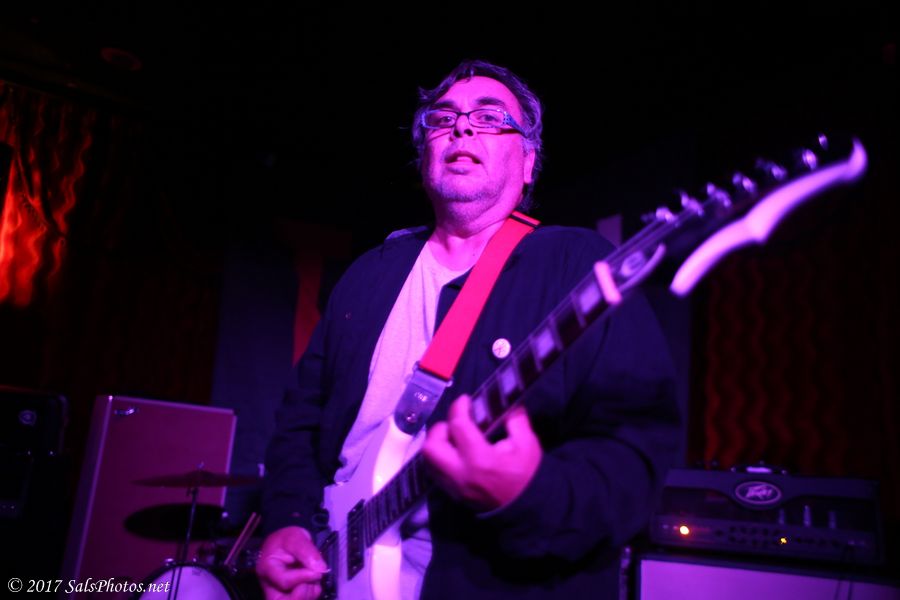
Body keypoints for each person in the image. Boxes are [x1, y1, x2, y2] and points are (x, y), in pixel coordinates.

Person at [256, 59, 681, 599]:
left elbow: (635, 456)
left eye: (489, 117)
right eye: (442, 118)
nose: (461, 127)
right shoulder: (368, 274)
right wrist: (288, 519)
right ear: (424, 155)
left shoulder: (577, 265)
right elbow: (300, 420)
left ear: (527, 162)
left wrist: (527, 496)